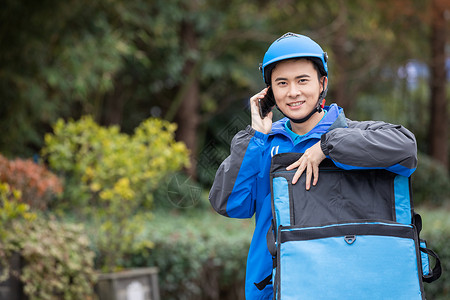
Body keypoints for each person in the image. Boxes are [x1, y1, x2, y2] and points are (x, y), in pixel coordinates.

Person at [209, 32, 417, 300]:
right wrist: (256, 135)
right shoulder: (261, 143)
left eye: (302, 80)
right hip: (275, 291)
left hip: (350, 288)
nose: (293, 92)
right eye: (281, 83)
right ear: (269, 93)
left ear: (322, 83)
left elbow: (406, 149)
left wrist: (325, 147)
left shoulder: (354, 133)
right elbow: (228, 203)